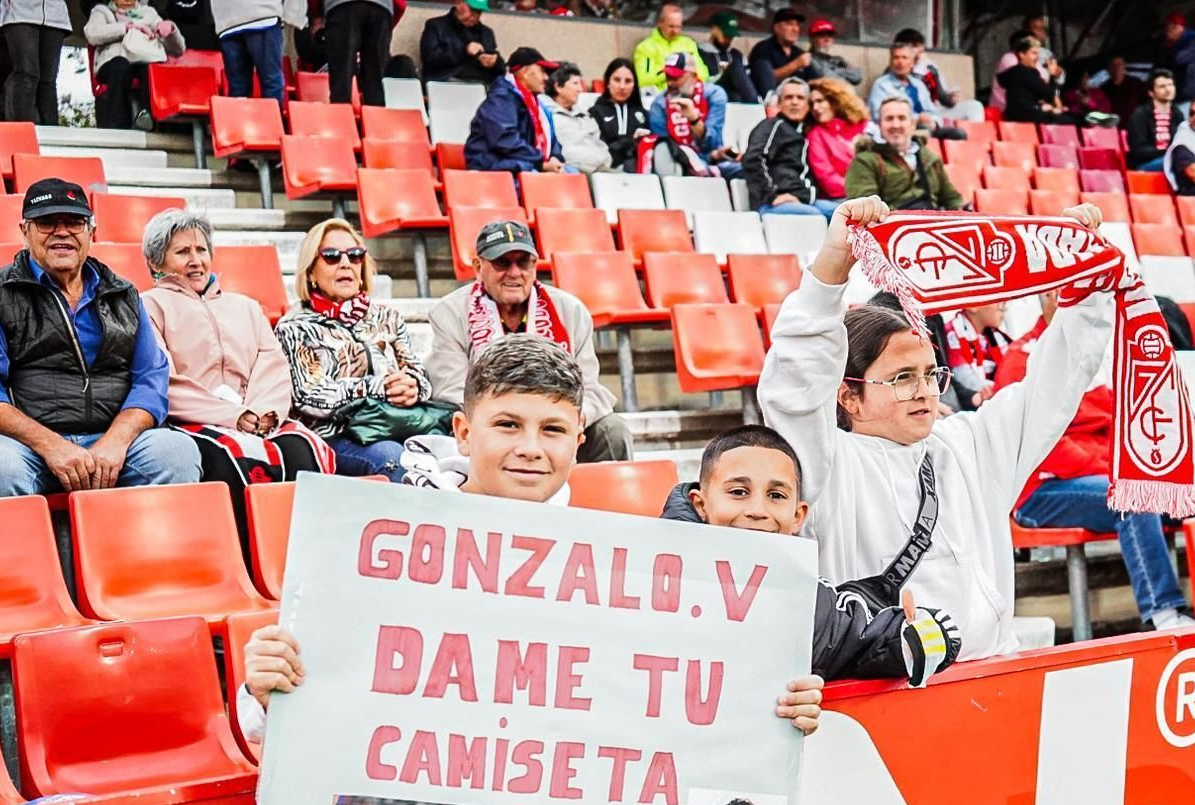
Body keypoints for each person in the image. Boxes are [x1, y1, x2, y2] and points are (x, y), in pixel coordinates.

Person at [239, 336, 828, 742]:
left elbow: (676, 696)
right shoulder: (383, 549)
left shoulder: (627, 564)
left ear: (578, 439)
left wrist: (771, 706)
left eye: (551, 429)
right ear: (464, 433)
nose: (530, 447)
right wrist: (266, 693)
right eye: (507, 425)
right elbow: (283, 711)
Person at [758, 198, 1115, 661]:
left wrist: (1084, 280)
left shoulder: (969, 445)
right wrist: (831, 268)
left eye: (931, 374)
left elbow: (1058, 379)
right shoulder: (824, 468)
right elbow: (794, 386)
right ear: (847, 394)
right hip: (890, 694)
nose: (925, 391)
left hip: (994, 678)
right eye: (902, 377)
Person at [0, 179, 201, 499]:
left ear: (90, 232)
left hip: (111, 443)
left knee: (177, 454)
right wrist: (52, 446)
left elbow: (150, 381)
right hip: (23, 448)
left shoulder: (123, 294)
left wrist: (116, 441)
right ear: (24, 230)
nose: (61, 232)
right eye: (46, 222)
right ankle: (26, 552)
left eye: (73, 222)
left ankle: (146, 550)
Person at [663, 424, 961, 685]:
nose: (757, 511)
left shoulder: (810, 604)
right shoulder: (644, 579)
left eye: (776, 496)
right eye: (738, 492)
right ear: (700, 505)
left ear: (797, 516)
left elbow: (862, 639)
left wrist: (918, 633)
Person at [1012, 350, 1195, 633]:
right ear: (1054, 301)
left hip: (1103, 474)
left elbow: (1122, 427)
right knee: (1132, 498)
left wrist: (1141, 469)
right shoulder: (1024, 357)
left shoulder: (1098, 354)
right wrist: (1118, 472)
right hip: (1040, 489)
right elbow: (1045, 445)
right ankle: (1164, 614)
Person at [140, 209, 333, 517]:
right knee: (224, 455)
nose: (195, 260)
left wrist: (262, 412)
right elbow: (162, 379)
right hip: (193, 419)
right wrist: (233, 415)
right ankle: (242, 558)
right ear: (155, 262)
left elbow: (271, 365)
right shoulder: (148, 306)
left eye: (201, 250)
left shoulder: (245, 306)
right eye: (182, 252)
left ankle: (304, 555)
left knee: (304, 446)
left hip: (256, 416)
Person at [426, 220, 631, 462]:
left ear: (534, 265)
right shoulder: (449, 312)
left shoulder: (570, 311)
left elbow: (590, 388)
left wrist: (566, 420)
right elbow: (451, 390)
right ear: (478, 267)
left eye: (522, 262)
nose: (514, 273)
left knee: (612, 430)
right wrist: (513, 420)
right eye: (502, 262)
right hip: (494, 425)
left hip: (555, 423)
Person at [275, 219, 431, 481]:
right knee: (393, 459)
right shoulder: (294, 327)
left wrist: (413, 387)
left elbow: (419, 373)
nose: (345, 263)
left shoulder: (387, 317)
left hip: (394, 422)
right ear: (311, 271)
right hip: (336, 435)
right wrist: (375, 387)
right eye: (331, 256)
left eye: (355, 255)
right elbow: (308, 396)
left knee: (453, 453)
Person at [844, 97, 963, 211]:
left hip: (932, 225)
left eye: (902, 118)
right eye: (889, 119)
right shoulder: (865, 162)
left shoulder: (931, 158)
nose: (896, 125)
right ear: (880, 125)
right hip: (892, 227)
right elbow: (864, 210)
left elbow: (952, 198)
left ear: (912, 124)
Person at [84, 0, 186, 131]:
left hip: (144, 59)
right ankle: (118, 127)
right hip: (114, 60)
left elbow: (178, 50)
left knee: (151, 70)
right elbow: (92, 34)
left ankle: (150, 120)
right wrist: (126, 28)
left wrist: (170, 30)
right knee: (120, 67)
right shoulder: (102, 11)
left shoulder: (149, 13)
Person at [743, 79, 836, 219]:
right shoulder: (772, 126)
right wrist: (771, 196)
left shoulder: (805, 132)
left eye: (800, 98)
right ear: (779, 104)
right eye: (788, 97)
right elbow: (753, 159)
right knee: (814, 217)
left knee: (849, 215)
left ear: (807, 106)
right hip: (773, 204)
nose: (794, 102)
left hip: (808, 202)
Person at [464, 47, 564, 173]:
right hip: (495, 166)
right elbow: (504, 139)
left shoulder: (539, 106)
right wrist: (540, 161)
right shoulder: (500, 99)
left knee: (571, 174)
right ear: (526, 72)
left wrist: (555, 158)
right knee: (537, 180)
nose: (546, 78)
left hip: (526, 163)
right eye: (542, 71)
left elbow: (552, 140)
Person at [646, 51, 735, 177]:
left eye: (675, 77)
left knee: (748, 169)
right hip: (680, 163)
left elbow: (713, 143)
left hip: (715, 160)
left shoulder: (714, 95)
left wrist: (694, 119)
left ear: (693, 76)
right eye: (667, 77)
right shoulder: (659, 104)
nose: (670, 83)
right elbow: (665, 148)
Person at [0, 0, 71, 127]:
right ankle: (22, 131)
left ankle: (51, 133)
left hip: (55, 15)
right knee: (26, 74)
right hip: (19, 12)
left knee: (48, 81)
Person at [894, 26, 984, 124]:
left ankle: (974, 137)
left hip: (936, 112)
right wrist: (916, 71)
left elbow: (941, 96)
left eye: (921, 46)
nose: (920, 50)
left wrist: (951, 99)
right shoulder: (895, 69)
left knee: (975, 106)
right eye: (915, 46)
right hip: (913, 115)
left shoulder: (928, 67)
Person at [214, 0, 285, 106]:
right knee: (271, 83)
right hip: (262, 15)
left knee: (238, 88)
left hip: (227, 20)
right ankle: (272, 122)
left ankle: (238, 122)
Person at [806, 78, 867, 201]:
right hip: (844, 197)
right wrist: (860, 189)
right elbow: (827, 177)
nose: (816, 108)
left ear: (835, 100)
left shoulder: (862, 125)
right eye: (812, 104)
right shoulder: (816, 135)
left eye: (820, 101)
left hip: (873, 192)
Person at [544, 64, 612, 173]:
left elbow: (600, 143)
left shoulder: (585, 116)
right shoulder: (549, 117)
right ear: (558, 87)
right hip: (572, 172)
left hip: (600, 170)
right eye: (575, 83)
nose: (580, 89)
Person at [942, 302, 1012, 409]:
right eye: (998, 299)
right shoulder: (952, 332)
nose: (1004, 307)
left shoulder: (997, 336)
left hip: (997, 401)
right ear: (973, 306)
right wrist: (1004, 389)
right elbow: (965, 380)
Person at [324, 0, 393, 107]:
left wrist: (316, 14)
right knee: (376, 80)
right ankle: (375, 120)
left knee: (342, 76)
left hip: (342, 5)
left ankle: (340, 119)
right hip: (382, 7)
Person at [419, 0, 501, 84]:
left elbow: (499, 68)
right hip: (446, 82)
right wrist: (464, 51)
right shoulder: (436, 26)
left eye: (479, 12)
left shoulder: (485, 32)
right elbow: (430, 60)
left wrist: (495, 63)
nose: (475, 16)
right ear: (458, 3)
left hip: (480, 83)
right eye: (472, 10)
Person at [588, 58, 647, 173]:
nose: (622, 86)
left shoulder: (642, 113)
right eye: (617, 80)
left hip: (640, 168)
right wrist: (630, 140)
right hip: (607, 169)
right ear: (608, 82)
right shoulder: (595, 112)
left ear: (634, 85)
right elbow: (597, 147)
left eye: (628, 81)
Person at [869, 41, 942, 132]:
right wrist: (916, 119)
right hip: (898, 130)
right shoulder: (881, 85)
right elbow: (878, 115)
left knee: (958, 133)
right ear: (890, 62)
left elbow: (933, 111)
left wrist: (935, 123)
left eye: (904, 58)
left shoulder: (919, 85)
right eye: (896, 58)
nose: (900, 62)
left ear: (912, 63)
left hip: (927, 127)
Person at [633, 3, 703, 93]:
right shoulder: (646, 47)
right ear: (660, 23)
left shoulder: (689, 44)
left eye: (678, 27)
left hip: (688, 94)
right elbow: (643, 79)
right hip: (660, 96)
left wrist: (685, 75)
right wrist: (672, 73)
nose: (675, 31)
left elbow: (703, 74)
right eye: (671, 26)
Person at [1125, 70, 1180, 171]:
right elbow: (1138, 151)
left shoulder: (1177, 113)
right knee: (1180, 161)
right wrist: (1166, 152)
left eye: (1170, 84)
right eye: (1162, 86)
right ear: (1151, 93)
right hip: (1146, 164)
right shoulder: (1140, 114)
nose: (1168, 89)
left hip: (1173, 159)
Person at [748, 8, 808, 100]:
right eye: (789, 24)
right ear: (777, 28)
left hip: (798, 103)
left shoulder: (799, 53)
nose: (795, 29)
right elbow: (765, 79)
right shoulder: (763, 48)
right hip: (771, 103)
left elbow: (812, 80)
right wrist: (796, 65)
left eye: (797, 25)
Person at [698, 11, 756, 104]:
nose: (728, 40)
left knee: (736, 96)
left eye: (731, 36)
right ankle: (755, 104)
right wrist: (724, 73)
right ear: (714, 30)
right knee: (735, 66)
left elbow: (747, 83)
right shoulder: (700, 52)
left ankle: (754, 105)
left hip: (735, 96)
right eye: (725, 35)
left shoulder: (737, 54)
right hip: (711, 93)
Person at [1156, 14, 1195, 103]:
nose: (1165, 32)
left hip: (1189, 95)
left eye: (1168, 27)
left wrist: (1170, 48)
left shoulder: (1191, 41)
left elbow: (1179, 59)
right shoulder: (1168, 45)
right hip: (1175, 96)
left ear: (1176, 27)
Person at [804, 19, 860, 87]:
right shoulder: (807, 58)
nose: (827, 39)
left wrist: (834, 71)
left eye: (830, 35)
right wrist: (844, 75)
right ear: (811, 39)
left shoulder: (839, 60)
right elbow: (827, 76)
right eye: (822, 35)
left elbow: (857, 76)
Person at [1096, 55, 1145, 119]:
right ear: (1109, 68)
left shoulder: (1137, 84)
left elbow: (1146, 104)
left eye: (1119, 64)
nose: (1116, 67)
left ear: (1124, 66)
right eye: (1113, 65)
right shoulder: (1103, 89)